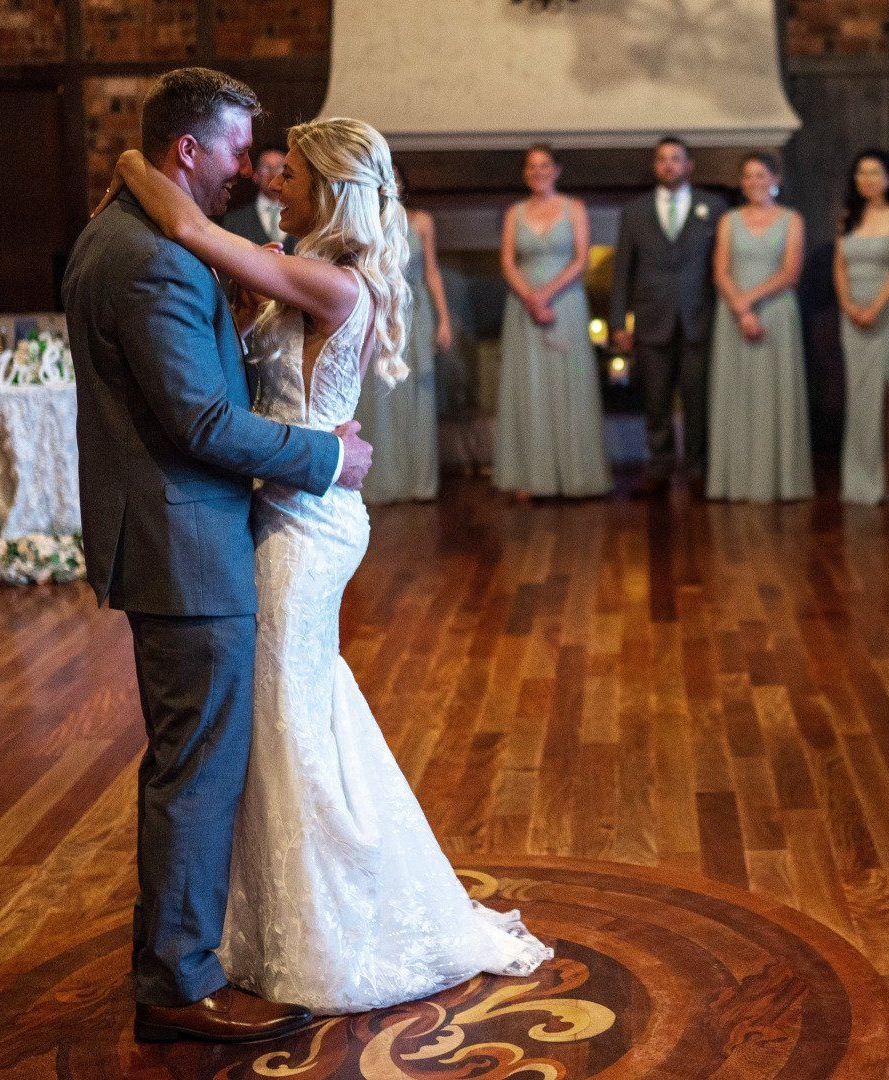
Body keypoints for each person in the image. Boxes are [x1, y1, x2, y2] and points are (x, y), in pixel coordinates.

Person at [104, 105, 554, 1014]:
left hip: (308, 521)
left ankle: (328, 920)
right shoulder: (307, 276)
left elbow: (190, 226)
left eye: (295, 176)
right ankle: (261, 914)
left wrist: (124, 154)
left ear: (334, 190)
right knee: (282, 706)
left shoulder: (339, 284)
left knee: (279, 708)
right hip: (284, 499)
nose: (276, 182)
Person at [65, 69, 361, 1045]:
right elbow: (197, 418)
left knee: (190, 757)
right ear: (186, 151)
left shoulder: (132, 231)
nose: (250, 167)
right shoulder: (150, 257)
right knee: (195, 767)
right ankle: (178, 984)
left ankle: (180, 955)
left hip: (175, 533)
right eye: (237, 148)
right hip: (184, 543)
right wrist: (328, 456)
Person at [610, 138, 728, 496]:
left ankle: (697, 468)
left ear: (689, 165)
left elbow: (723, 265)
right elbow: (622, 272)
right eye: (662, 160)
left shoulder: (714, 206)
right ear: (655, 166)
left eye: (676, 159)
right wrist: (618, 321)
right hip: (651, 318)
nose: (668, 165)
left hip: (698, 318)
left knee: (697, 399)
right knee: (656, 399)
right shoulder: (634, 211)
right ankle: (659, 467)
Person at [495, 144, 611, 500]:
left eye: (545, 166)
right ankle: (529, 479)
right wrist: (530, 297)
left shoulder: (574, 208)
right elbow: (508, 262)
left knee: (569, 384)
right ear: (524, 173)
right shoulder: (515, 212)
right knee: (528, 387)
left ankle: (575, 477)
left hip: (565, 303)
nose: (538, 172)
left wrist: (545, 294)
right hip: (523, 305)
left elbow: (581, 260)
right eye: (531, 167)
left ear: (557, 170)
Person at [707, 152, 811, 502]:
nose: (755, 182)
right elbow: (720, 271)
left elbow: (790, 273)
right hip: (734, 315)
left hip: (776, 313)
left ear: (775, 179)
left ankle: (778, 481)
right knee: (738, 394)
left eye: (761, 176)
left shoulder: (792, 219)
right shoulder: (729, 221)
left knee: (772, 393)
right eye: (748, 177)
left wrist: (748, 300)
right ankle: (735, 481)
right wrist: (739, 306)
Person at [354, 165, 452, 505]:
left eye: (395, 176)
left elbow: (432, 273)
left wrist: (444, 320)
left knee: (415, 396)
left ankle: (417, 483)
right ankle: (377, 483)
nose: (390, 183)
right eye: (383, 177)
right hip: (378, 313)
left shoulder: (421, 221)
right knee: (378, 397)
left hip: (414, 313)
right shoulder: (360, 219)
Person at [834, 149, 889, 505]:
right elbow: (839, 266)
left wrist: (876, 308)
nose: (867, 179)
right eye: (861, 173)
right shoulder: (848, 219)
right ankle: (861, 479)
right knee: (860, 395)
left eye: (875, 172)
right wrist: (849, 306)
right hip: (852, 314)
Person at [221, 147, 294, 253]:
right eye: (266, 167)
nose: (273, 174)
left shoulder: (305, 218)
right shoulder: (234, 221)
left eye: (280, 167)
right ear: (255, 176)